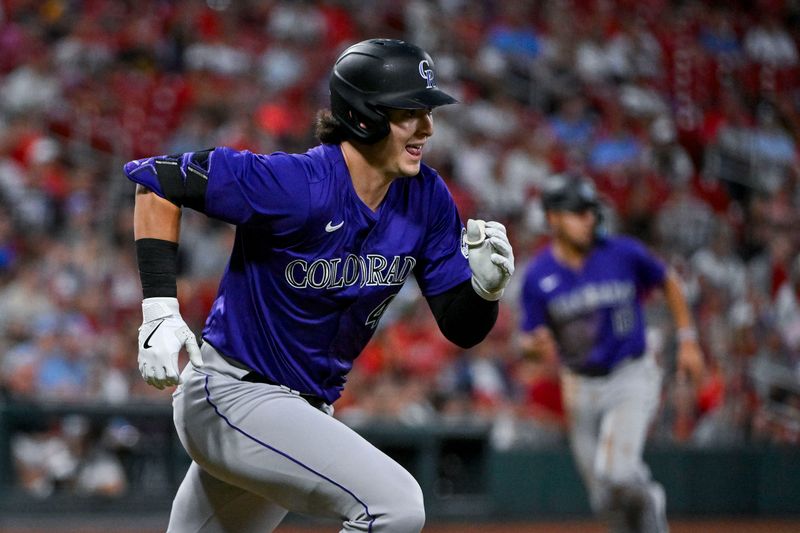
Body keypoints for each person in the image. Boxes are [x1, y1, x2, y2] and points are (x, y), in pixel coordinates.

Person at [125, 38, 515, 533]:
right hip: (231, 394)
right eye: (409, 112)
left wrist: (485, 291)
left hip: (298, 413)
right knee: (394, 506)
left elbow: (460, 329)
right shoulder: (297, 184)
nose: (428, 126)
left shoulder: (427, 197)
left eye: (427, 110)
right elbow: (156, 181)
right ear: (364, 116)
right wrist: (159, 309)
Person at [518, 174, 703, 533]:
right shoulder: (539, 274)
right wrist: (533, 348)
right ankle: (645, 510)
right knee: (606, 499)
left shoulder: (621, 252)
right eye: (577, 211)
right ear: (552, 218)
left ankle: (648, 494)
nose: (588, 218)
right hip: (579, 387)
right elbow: (530, 341)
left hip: (629, 373)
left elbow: (668, 281)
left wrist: (689, 339)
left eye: (590, 211)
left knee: (617, 471)